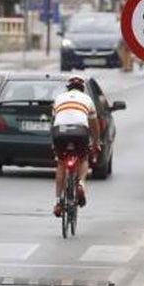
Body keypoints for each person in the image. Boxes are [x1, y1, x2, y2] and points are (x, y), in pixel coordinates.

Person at [51, 75, 101, 218]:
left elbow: (53, 122)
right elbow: (94, 125)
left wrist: (53, 143)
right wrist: (96, 143)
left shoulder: (59, 98)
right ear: (83, 89)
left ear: (68, 88)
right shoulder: (87, 99)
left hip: (60, 132)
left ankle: (58, 203)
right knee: (84, 158)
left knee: (61, 164)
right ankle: (81, 184)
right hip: (80, 132)